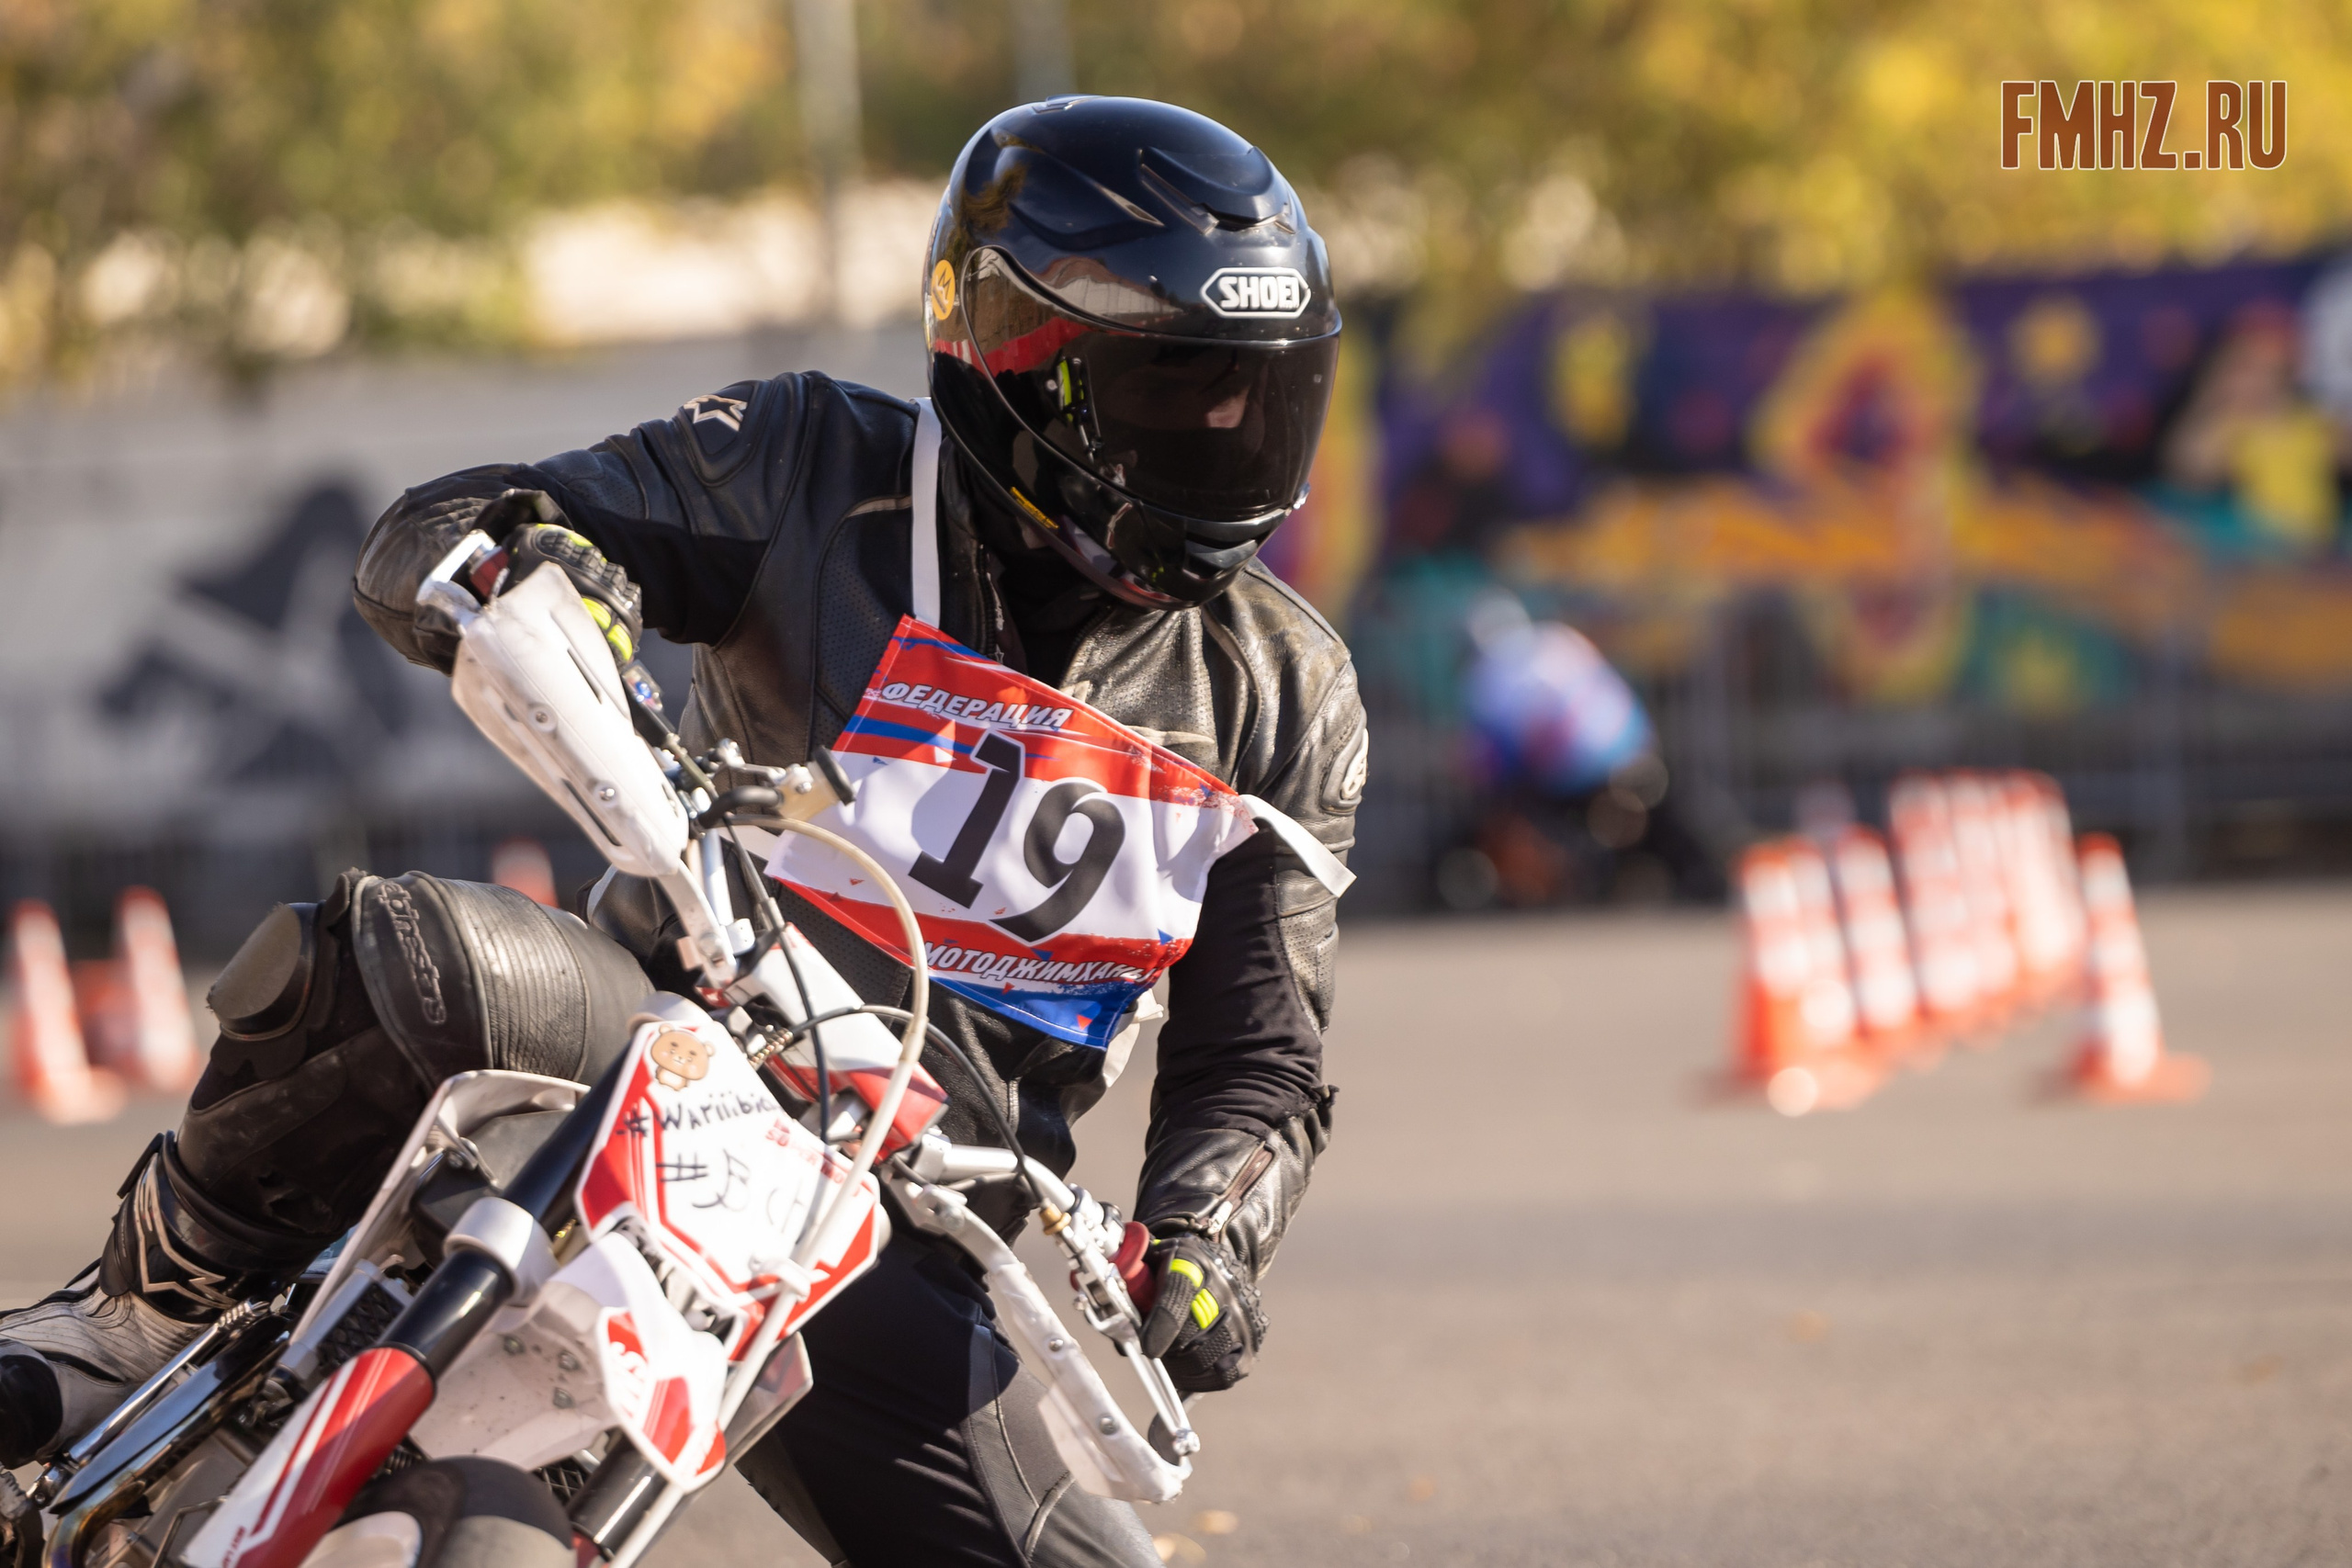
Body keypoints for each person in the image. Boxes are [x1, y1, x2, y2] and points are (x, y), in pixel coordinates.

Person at [0, 97, 1364, 1567]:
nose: (1226, 440)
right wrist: (539, 568)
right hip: (648, 1044)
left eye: (1257, 397)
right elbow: (455, 529)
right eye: (1177, 393)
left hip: (893, 1230)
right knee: (408, 950)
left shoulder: (1289, 691)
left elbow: (1259, 1059)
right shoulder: (809, 467)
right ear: (1014, 362)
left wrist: (1207, 1242)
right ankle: (141, 1312)